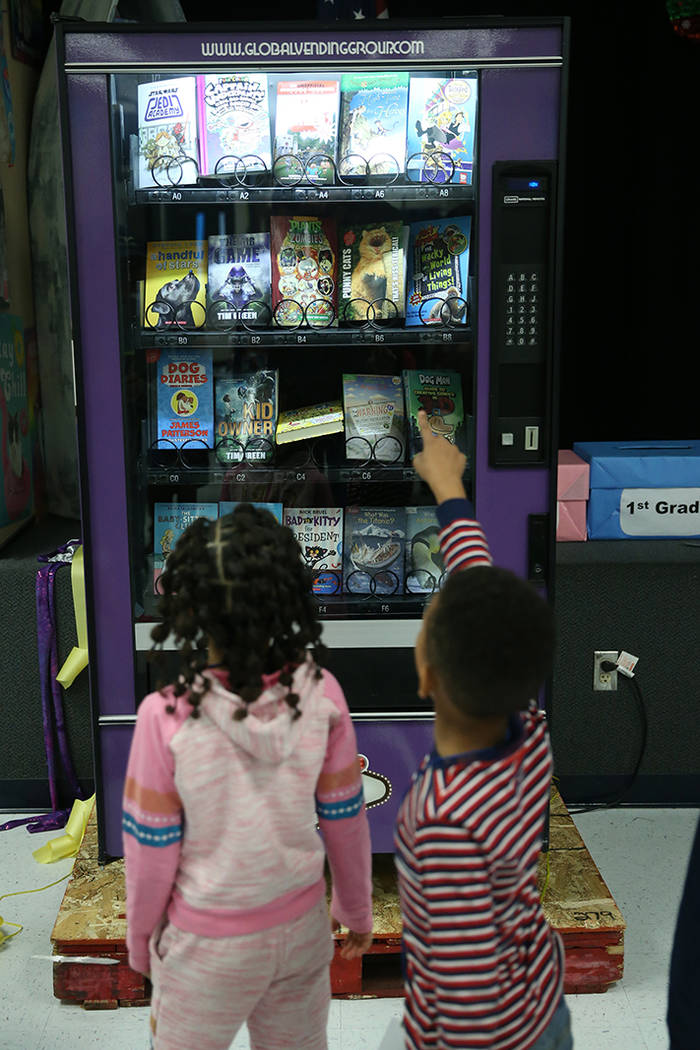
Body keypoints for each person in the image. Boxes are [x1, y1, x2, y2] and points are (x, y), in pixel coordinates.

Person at [122, 504, 373, 1050]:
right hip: (302, 927)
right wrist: (355, 907)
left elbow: (151, 850)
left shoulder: (164, 717)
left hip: (205, 945)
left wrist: (141, 942)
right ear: (288, 597)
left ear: (189, 608)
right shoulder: (321, 691)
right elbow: (345, 819)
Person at [394, 410, 572, 1050]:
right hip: (544, 1004)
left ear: (426, 677)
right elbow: (480, 589)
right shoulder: (528, 730)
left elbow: (473, 1003)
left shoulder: (445, 823)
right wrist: (450, 491)